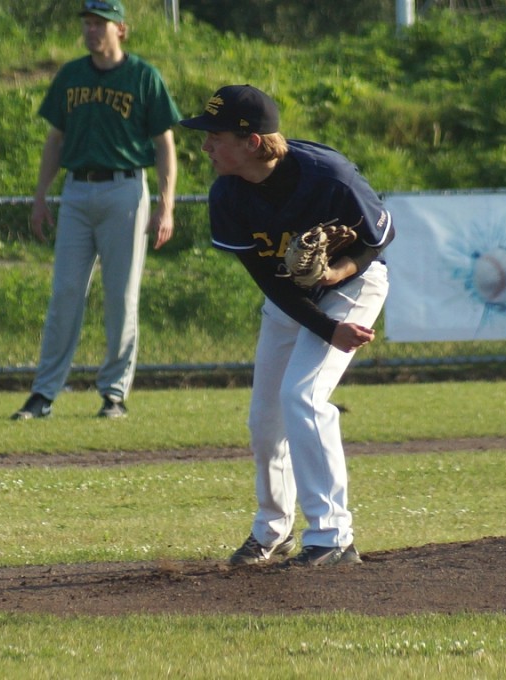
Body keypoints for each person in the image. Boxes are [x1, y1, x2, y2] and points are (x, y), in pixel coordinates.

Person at [180, 85, 395, 567]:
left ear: (251, 142)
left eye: (215, 137)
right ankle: (273, 530)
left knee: (303, 396)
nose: (205, 146)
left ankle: (333, 534)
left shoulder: (329, 176)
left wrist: (338, 273)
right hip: (291, 298)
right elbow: (268, 281)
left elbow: (380, 237)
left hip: (353, 286)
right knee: (265, 420)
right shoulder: (228, 193)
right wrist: (324, 326)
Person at [12, 0, 181, 421]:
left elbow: (164, 144)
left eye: (100, 23)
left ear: (120, 29)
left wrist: (166, 205)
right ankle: (44, 393)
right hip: (76, 190)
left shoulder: (142, 76)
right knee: (66, 293)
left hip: (125, 189)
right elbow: (55, 140)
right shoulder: (71, 75)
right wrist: (40, 196)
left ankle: (114, 394)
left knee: (121, 297)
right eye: (88, 23)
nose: (92, 30)